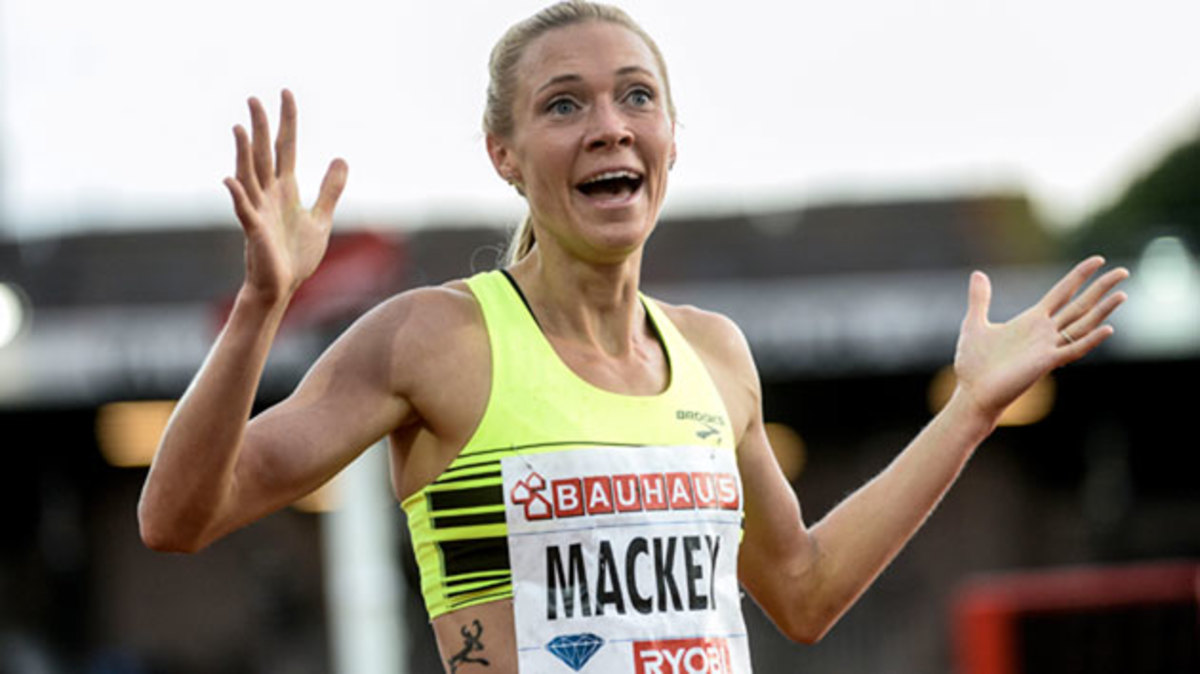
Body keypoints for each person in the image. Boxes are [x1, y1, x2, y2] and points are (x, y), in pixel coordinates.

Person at [137, 2, 1129, 672]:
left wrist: (970, 410)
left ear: (671, 140)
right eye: (564, 104)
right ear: (504, 155)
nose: (609, 125)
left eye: (636, 95)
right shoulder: (435, 339)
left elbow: (805, 591)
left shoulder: (714, 355)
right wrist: (261, 303)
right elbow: (179, 515)